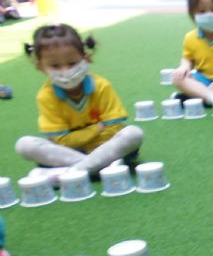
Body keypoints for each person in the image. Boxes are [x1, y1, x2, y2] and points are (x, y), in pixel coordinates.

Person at [14, 24, 144, 182]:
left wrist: (82, 139)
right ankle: (101, 168)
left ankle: (69, 174)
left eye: (72, 63)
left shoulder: (101, 86)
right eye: (55, 66)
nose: (65, 71)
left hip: (106, 147)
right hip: (70, 152)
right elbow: (61, 141)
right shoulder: (45, 96)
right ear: (41, 67)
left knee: (133, 133)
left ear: (86, 58)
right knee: (24, 145)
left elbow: (113, 129)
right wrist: (96, 128)